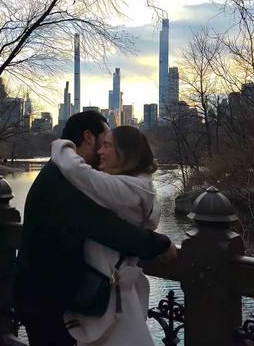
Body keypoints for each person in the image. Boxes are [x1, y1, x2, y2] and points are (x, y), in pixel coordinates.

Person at [14, 111, 176, 346]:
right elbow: (106, 228)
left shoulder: (60, 174)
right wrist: (161, 244)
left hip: (48, 295)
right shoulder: (63, 180)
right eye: (105, 139)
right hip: (45, 301)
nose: (103, 149)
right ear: (89, 137)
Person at [51, 125, 168, 346]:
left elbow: (78, 172)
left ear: (125, 153)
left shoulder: (126, 189)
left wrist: (63, 145)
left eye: (107, 146)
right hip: (118, 293)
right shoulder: (139, 186)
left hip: (112, 301)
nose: (99, 152)